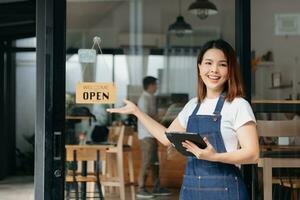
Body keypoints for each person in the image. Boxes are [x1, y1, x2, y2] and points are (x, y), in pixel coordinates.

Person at [107, 39, 259, 200]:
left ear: (230, 70)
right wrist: (137, 112)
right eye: (208, 63)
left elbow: (252, 154)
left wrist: (214, 157)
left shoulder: (238, 105)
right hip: (191, 191)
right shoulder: (192, 105)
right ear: (199, 67)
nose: (214, 70)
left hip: (227, 191)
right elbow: (167, 138)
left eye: (222, 64)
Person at [135, 76, 172, 198]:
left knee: (155, 163)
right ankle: (141, 188)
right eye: (155, 84)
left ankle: (157, 187)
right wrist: (158, 116)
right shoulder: (144, 99)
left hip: (152, 135)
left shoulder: (151, 98)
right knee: (147, 162)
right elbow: (145, 117)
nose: (156, 87)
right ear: (150, 85)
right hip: (146, 136)